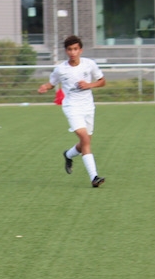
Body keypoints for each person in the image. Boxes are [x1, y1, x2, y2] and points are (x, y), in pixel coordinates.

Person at [37, 35, 106, 188]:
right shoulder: (61, 69)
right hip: (72, 108)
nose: (73, 52)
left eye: (75, 49)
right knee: (85, 140)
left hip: (88, 107)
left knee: (85, 143)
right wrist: (45, 87)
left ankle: (68, 154)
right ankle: (94, 177)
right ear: (66, 51)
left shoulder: (89, 64)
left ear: (81, 50)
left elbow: (102, 81)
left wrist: (89, 85)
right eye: (70, 49)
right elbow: (52, 83)